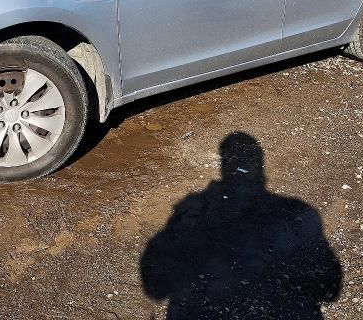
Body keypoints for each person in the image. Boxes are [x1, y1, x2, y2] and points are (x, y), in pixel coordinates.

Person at [141, 132, 342, 319]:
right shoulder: (296, 214)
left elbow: (155, 285)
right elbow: (329, 289)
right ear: (260, 169)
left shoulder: (193, 210)